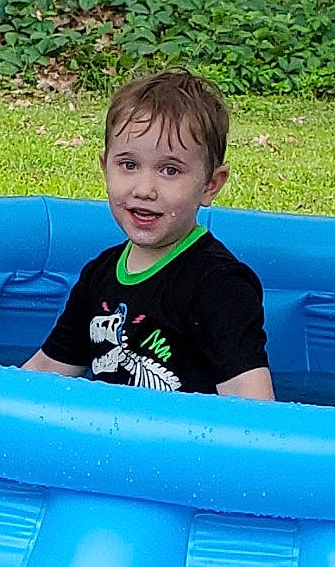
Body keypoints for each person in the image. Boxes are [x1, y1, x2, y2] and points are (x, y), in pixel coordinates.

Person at [23, 70, 274, 399]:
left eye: (170, 170)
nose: (144, 190)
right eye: (128, 165)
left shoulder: (220, 286)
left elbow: (254, 409)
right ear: (105, 167)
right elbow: (46, 371)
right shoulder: (99, 275)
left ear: (210, 185)